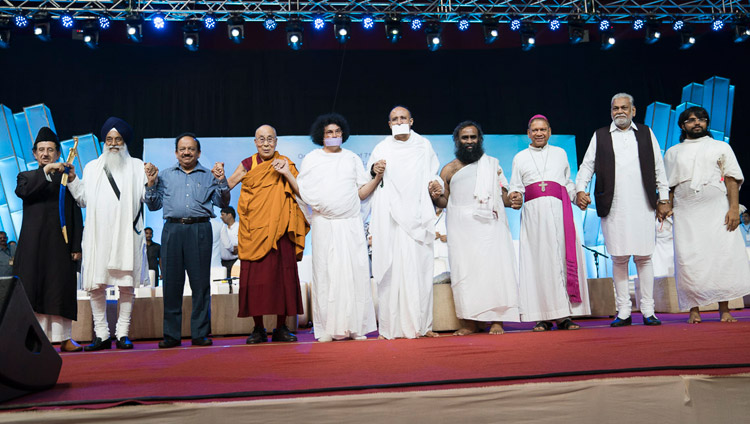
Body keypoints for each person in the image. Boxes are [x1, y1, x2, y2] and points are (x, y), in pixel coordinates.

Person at [575, 93, 671, 327]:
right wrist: (580, 190)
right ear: (611, 112)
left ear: (633, 111)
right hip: (614, 205)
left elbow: (659, 167)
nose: (620, 111)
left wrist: (665, 198)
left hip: (643, 205)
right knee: (618, 258)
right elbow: (587, 166)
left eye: (624, 108)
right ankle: (624, 312)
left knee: (644, 257)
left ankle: (648, 310)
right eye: (615, 108)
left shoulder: (647, 133)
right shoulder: (600, 136)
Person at [663, 106, 750, 323]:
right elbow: (668, 186)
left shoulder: (720, 146)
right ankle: (694, 310)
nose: (697, 123)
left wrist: (733, 209)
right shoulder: (673, 152)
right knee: (689, 258)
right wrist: (665, 205)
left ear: (707, 123)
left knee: (721, 256)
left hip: (717, 210)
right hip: (686, 212)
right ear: (683, 125)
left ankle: (725, 309)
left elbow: (731, 178)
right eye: (691, 120)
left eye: (701, 119)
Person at [295, 113, 378, 342]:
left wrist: (377, 178)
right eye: (329, 132)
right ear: (321, 136)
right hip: (324, 224)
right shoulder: (312, 158)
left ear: (343, 134)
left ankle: (355, 328)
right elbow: (303, 191)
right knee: (325, 274)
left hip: (350, 223)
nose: (333, 135)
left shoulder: (351, 158)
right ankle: (326, 330)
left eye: (337, 132)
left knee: (354, 274)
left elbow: (361, 192)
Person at [432, 121, 520, 335]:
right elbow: (444, 202)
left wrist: (515, 199)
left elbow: (504, 197)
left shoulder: (492, 166)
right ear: (457, 141)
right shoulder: (449, 169)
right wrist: (434, 196)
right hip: (461, 229)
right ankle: (470, 322)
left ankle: (497, 320)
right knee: (466, 273)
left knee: (494, 272)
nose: (469, 142)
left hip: (491, 227)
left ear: (480, 140)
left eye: (473, 137)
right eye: (465, 138)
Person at [67, 117, 147, 351]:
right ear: (104, 141)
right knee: (96, 285)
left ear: (125, 142)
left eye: (118, 139)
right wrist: (72, 179)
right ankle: (101, 334)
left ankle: (122, 334)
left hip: (126, 234)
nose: (113, 144)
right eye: (110, 139)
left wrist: (151, 182)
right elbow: (82, 199)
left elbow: (145, 197)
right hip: (98, 235)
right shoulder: (92, 168)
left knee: (125, 285)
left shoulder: (137, 166)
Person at [145, 133, 230, 348]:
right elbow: (153, 206)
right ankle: (171, 336)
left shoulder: (209, 176)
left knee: (200, 284)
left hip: (200, 229)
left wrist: (221, 180)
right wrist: (152, 183)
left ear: (198, 152)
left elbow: (222, 201)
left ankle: (200, 334)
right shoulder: (164, 175)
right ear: (176, 153)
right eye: (182, 149)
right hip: (172, 230)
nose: (186, 152)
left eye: (191, 149)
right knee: (171, 283)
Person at [366, 106, 443, 339]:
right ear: (389, 124)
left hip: (417, 218)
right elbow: (369, 177)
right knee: (390, 271)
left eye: (403, 118)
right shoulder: (381, 147)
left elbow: (433, 174)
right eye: (394, 119)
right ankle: (389, 328)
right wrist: (374, 169)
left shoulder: (423, 145)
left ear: (411, 120)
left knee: (420, 271)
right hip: (390, 219)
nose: (399, 121)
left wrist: (435, 185)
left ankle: (423, 325)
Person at [227, 124, 308, 344]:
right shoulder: (248, 164)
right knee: (256, 282)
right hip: (255, 230)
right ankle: (258, 328)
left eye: (270, 139)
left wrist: (286, 173)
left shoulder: (285, 162)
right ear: (255, 142)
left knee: (283, 279)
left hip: (281, 229)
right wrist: (217, 179)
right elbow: (228, 186)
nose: (265, 143)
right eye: (261, 139)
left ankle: (281, 327)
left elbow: (302, 192)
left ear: (276, 141)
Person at [508, 115, 590, 331]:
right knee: (539, 262)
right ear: (528, 133)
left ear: (550, 132)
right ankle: (541, 315)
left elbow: (568, 183)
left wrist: (577, 197)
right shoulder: (520, 157)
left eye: (543, 129)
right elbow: (515, 187)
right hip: (534, 216)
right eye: (534, 130)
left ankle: (565, 316)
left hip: (559, 212)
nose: (539, 133)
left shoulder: (560, 154)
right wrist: (515, 197)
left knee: (562, 259)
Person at [13, 127, 83, 352]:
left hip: (60, 245)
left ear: (58, 152)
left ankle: (64, 339)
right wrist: (47, 172)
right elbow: (25, 192)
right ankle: (36, 339)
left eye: (50, 150)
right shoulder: (26, 177)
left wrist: (75, 245)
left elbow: (75, 214)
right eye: (41, 150)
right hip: (32, 246)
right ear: (34, 154)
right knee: (34, 290)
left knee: (59, 289)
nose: (45, 154)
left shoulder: (67, 179)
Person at [219, 206, 239, 280]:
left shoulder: (239, 227)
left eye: (223, 215)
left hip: (235, 261)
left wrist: (237, 248)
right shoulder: (222, 228)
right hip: (223, 263)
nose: (221, 217)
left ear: (230, 215)